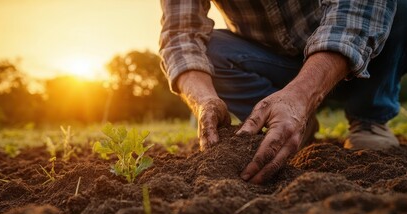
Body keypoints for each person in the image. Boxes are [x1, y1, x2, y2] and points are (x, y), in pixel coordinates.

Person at [159, 0, 407, 184]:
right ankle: (291, 124)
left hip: (358, 55)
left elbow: (359, 10)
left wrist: (302, 94)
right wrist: (204, 99)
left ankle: (369, 118)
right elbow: (181, 35)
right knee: (212, 51)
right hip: (271, 62)